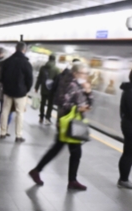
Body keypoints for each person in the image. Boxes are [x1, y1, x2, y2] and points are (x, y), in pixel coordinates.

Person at [28, 62, 92, 190]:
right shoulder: (70, 84)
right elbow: (62, 102)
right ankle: (71, 180)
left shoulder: (79, 84)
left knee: (60, 149)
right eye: (83, 73)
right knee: (73, 151)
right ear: (75, 73)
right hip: (68, 121)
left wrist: (88, 92)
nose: (85, 76)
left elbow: (89, 103)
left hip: (73, 121)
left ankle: (38, 171)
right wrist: (79, 108)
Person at [0, 42, 33, 142]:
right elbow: (30, 79)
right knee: (19, 113)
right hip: (20, 93)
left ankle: (2, 133)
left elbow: (0, 76)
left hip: (7, 91)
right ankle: (18, 136)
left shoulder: (7, 61)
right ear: (24, 50)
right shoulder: (26, 63)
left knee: (5, 111)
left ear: (16, 49)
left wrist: (5, 86)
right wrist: (25, 89)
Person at [36, 55, 62, 124]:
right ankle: (47, 118)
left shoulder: (43, 68)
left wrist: (36, 87)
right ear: (54, 60)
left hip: (43, 89)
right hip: (52, 91)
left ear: (48, 59)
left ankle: (41, 117)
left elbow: (39, 78)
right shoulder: (57, 69)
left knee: (42, 103)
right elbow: (58, 81)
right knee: (50, 105)